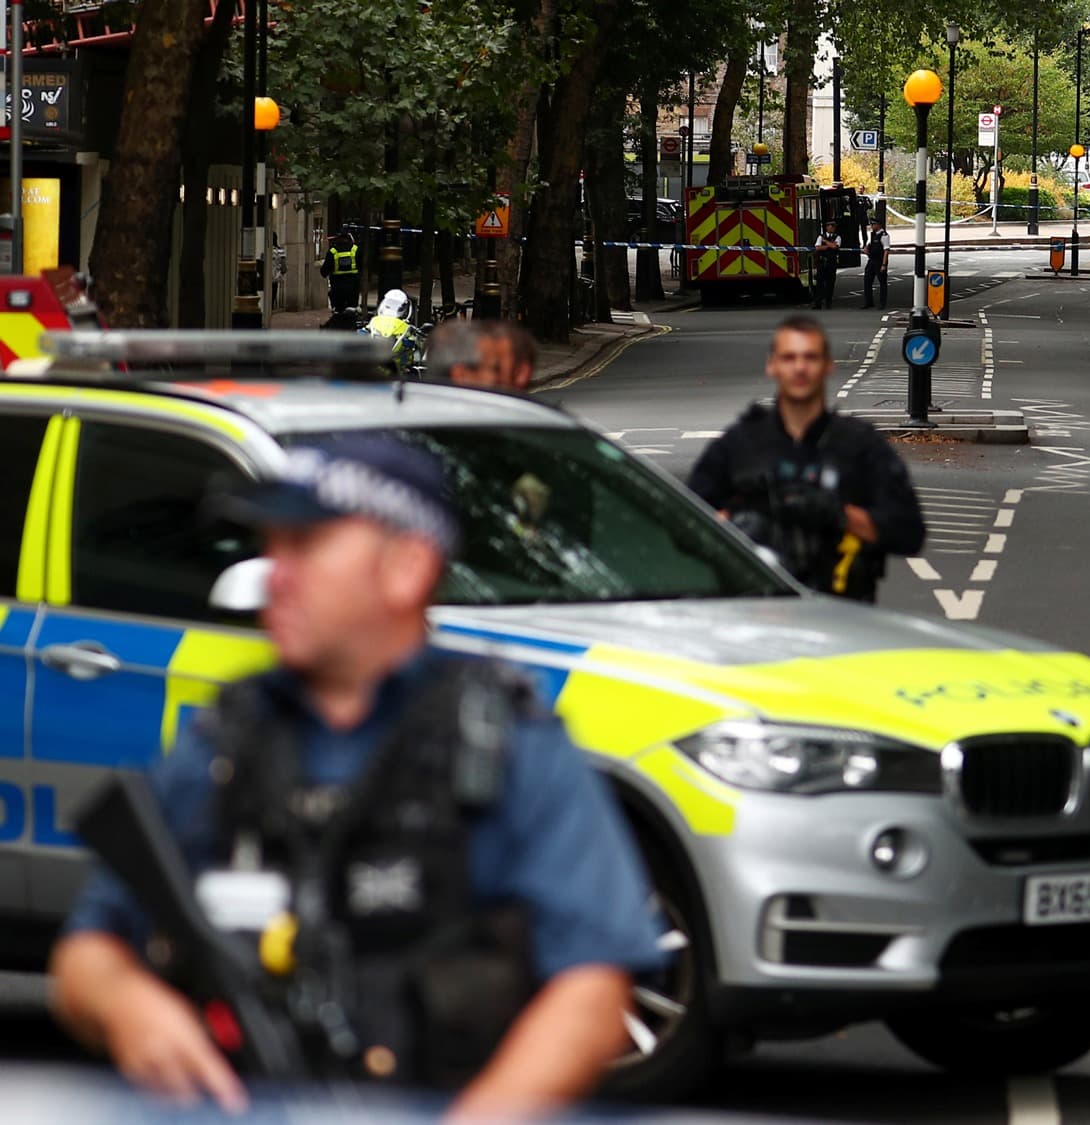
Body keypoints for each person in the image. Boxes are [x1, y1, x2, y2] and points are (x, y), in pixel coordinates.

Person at [50, 435, 664, 1117]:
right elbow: (84, 955)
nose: (273, 573)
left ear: (407, 568)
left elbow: (594, 992)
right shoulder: (223, 743)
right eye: (272, 545)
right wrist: (128, 1004)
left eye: (305, 545)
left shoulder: (508, 748)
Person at [687, 315, 924, 602]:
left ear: (828, 365)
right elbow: (686, 528)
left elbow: (909, 533)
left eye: (810, 357)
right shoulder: (740, 445)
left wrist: (837, 512)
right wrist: (744, 517)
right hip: (757, 616)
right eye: (789, 358)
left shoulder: (860, 445)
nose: (800, 368)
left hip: (842, 614)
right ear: (772, 365)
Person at [320, 227, 363, 315]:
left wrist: (326, 273)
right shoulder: (355, 250)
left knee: (337, 311)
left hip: (337, 290)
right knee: (353, 310)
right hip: (353, 289)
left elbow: (324, 271)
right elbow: (362, 266)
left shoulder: (332, 252)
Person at [811, 222, 841, 310]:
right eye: (831, 226)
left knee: (830, 284)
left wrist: (825, 243)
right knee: (819, 284)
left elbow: (835, 246)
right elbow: (817, 247)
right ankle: (818, 303)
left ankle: (828, 303)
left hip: (832, 263)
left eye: (833, 227)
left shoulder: (837, 237)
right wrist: (829, 246)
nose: (832, 228)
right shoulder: (821, 236)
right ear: (827, 227)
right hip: (822, 262)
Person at [862, 219, 890, 310]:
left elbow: (886, 251)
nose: (872, 226)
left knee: (882, 282)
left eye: (873, 224)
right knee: (867, 281)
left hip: (879, 261)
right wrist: (866, 248)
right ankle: (868, 302)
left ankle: (882, 303)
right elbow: (870, 244)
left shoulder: (884, 235)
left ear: (878, 225)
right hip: (871, 260)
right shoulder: (873, 234)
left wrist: (884, 264)